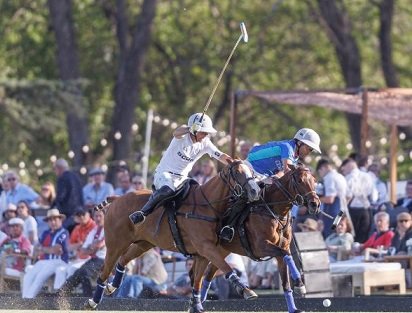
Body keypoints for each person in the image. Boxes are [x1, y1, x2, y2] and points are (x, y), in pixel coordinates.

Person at [129, 113, 232, 225]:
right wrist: (190, 128)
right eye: (203, 132)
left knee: (197, 194)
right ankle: (143, 212)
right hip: (164, 174)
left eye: (207, 133)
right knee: (168, 189)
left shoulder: (205, 143)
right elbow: (176, 132)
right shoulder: (182, 136)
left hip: (182, 179)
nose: (205, 135)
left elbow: (220, 155)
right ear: (195, 130)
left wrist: (235, 163)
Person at [220, 128, 321, 242]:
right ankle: (228, 226)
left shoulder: (295, 156)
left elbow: (281, 172)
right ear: (299, 142)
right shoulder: (288, 147)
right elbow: (288, 170)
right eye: (309, 148)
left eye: (311, 150)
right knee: (249, 194)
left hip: (265, 175)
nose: (309, 152)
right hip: (251, 169)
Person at [22, 208, 69, 298]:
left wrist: (42, 249)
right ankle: (24, 299)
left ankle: (29, 300)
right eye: (50, 220)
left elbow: (56, 250)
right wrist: (46, 249)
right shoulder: (45, 233)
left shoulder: (64, 232)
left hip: (59, 261)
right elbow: (36, 249)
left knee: (40, 276)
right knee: (28, 275)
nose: (53, 222)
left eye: (55, 219)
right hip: (45, 261)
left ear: (60, 220)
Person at [57, 209, 106, 296]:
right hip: (95, 259)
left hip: (106, 260)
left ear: (105, 216)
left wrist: (91, 247)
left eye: (100, 216)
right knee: (78, 272)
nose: (98, 218)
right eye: (96, 216)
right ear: (93, 217)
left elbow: (98, 246)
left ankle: (87, 298)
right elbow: (84, 250)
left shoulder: (108, 229)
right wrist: (92, 247)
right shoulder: (94, 230)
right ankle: (61, 295)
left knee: (84, 272)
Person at [340, 158, 377, 243]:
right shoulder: (368, 176)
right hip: (366, 210)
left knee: (353, 236)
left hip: (352, 211)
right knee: (364, 237)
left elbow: (346, 196)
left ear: (349, 165)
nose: (343, 171)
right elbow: (374, 196)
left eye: (344, 168)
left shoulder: (348, 178)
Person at [316, 159, 349, 238]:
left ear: (324, 168)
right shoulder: (341, 176)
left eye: (320, 171)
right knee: (338, 236)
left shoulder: (329, 178)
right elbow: (349, 196)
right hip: (342, 213)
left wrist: (315, 200)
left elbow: (330, 199)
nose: (321, 174)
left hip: (332, 213)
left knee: (330, 236)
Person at [53, 158, 84, 233]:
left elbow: (61, 196)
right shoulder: (76, 177)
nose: (55, 172)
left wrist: (52, 206)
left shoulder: (62, 178)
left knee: (61, 234)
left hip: (67, 214)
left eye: (55, 169)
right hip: (79, 213)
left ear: (59, 168)